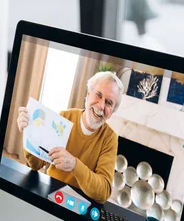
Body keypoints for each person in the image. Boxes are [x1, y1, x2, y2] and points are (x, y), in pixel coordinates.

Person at [16, 71, 123, 203]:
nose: (101, 106)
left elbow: (103, 192)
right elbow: (36, 164)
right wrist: (29, 132)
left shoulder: (110, 138)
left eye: (109, 103)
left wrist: (74, 165)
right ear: (88, 94)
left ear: (112, 112)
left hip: (79, 205)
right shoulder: (65, 117)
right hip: (50, 193)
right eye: (98, 95)